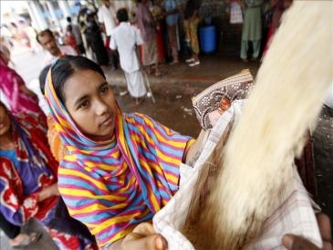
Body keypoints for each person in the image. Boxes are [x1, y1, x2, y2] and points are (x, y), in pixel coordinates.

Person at [44, 55, 199, 249]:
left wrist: (213, 127)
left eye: (103, 90)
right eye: (84, 103)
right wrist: (138, 245)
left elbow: (185, 154)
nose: (102, 108)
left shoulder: (137, 126)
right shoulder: (74, 176)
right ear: (64, 117)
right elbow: (114, 243)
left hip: (176, 220)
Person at [0, 101, 98, 249]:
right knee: (84, 244)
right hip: (54, 215)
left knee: (106, 229)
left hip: (77, 188)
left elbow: (62, 142)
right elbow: (16, 214)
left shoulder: (28, 121)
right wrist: (50, 191)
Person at [110, 8, 147, 104]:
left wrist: (119, 53)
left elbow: (112, 48)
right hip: (133, 58)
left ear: (118, 19)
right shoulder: (134, 29)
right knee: (136, 78)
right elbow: (140, 43)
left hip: (123, 59)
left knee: (129, 78)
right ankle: (137, 98)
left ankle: (134, 96)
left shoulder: (114, 32)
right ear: (127, 17)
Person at [0, 42, 45, 120]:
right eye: (7, 55)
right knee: (42, 125)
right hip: (28, 106)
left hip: (16, 110)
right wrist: (35, 95)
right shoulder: (9, 73)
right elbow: (24, 89)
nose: (8, 58)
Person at [135, 0, 163, 76]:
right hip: (149, 32)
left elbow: (137, 21)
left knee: (147, 52)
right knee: (154, 51)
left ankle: (149, 69)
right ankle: (157, 70)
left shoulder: (138, 9)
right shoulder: (144, 8)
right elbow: (149, 20)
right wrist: (155, 24)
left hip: (143, 34)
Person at [97, 0, 119, 69]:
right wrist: (105, 32)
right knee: (111, 49)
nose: (108, 1)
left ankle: (120, 61)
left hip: (116, 30)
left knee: (118, 47)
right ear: (103, 1)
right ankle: (114, 64)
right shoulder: (101, 10)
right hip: (109, 32)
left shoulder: (112, 7)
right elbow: (101, 23)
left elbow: (116, 18)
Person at [183, 0, 201, 67]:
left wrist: (192, 18)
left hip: (192, 20)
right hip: (188, 19)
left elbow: (197, 8)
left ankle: (196, 59)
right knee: (188, 39)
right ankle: (193, 56)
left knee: (193, 39)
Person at [163, 0, 179, 64]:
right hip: (169, 21)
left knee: (172, 40)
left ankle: (175, 58)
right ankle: (174, 57)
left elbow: (175, 9)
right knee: (171, 40)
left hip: (172, 22)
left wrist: (166, 13)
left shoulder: (171, 0)